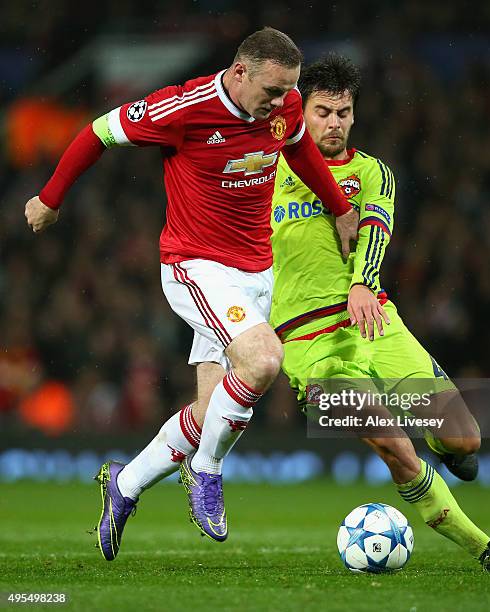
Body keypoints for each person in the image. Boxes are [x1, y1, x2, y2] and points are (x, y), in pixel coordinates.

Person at [24, 28, 359, 560]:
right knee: (264, 360)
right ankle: (206, 470)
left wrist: (339, 204)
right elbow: (97, 133)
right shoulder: (184, 108)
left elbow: (297, 150)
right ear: (240, 72)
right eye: (272, 91)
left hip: (256, 272)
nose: (282, 102)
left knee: (211, 413)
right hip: (195, 265)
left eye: (288, 91)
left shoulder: (287, 103)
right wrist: (50, 197)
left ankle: (125, 485)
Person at [265, 54, 490, 573]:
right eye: (323, 112)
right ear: (302, 113)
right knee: (395, 446)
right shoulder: (271, 170)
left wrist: (363, 283)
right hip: (309, 347)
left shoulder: (372, 172)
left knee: (464, 439)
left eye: (344, 112)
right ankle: (487, 551)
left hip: (376, 324)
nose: (335, 123)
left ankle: (446, 445)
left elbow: (376, 225)